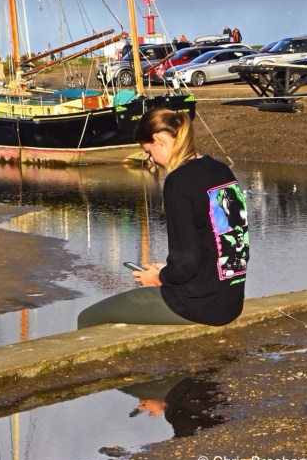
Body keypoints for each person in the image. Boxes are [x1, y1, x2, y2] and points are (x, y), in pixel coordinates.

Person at [77, 106, 248, 329]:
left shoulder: (179, 182)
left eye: (148, 151)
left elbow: (187, 262)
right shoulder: (219, 170)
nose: (152, 160)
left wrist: (159, 279)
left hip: (200, 305)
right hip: (231, 299)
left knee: (88, 318)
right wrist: (167, 271)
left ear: (158, 139)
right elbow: (231, 245)